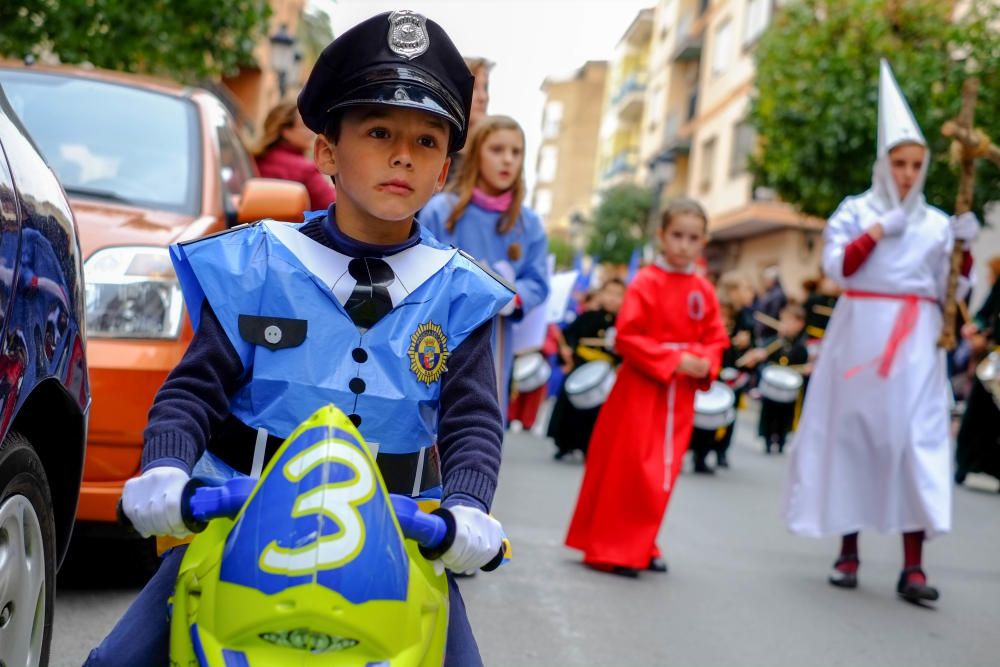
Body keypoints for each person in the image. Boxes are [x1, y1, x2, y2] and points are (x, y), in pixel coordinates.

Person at [86, 11, 512, 666]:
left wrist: (468, 506)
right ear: (326, 152)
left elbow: (474, 420)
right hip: (239, 527)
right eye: (378, 131)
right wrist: (167, 466)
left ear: (447, 168)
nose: (404, 153)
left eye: (428, 142)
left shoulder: (462, 293)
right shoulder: (255, 263)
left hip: (397, 542)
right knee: (120, 659)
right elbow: (193, 389)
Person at [782, 60, 978, 605]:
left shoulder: (939, 223)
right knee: (855, 439)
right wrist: (877, 230)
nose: (908, 175)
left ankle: (914, 565)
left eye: (917, 164)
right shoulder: (855, 210)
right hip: (860, 336)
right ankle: (848, 551)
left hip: (916, 342)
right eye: (899, 163)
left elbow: (952, 292)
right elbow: (839, 268)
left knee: (915, 444)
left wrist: (962, 250)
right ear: (882, 163)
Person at [564, 198, 729, 578]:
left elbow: (716, 337)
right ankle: (615, 548)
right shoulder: (646, 282)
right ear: (662, 236)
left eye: (693, 238)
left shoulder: (702, 290)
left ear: (703, 241)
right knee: (633, 470)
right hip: (641, 389)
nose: (684, 245)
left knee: (663, 473)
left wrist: (706, 359)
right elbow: (627, 335)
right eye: (677, 235)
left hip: (680, 394)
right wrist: (673, 360)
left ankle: (643, 541)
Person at [420, 115, 549, 416]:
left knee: (479, 418)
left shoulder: (528, 224)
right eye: (497, 149)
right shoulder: (441, 210)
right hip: (440, 332)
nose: (507, 160)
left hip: (494, 339)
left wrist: (513, 296)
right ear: (477, 152)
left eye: (516, 152)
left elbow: (538, 280)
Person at [546, 278, 626, 459]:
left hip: (606, 373)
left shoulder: (624, 323)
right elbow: (569, 336)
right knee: (570, 407)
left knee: (598, 413)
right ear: (601, 294)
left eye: (618, 295)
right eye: (610, 293)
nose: (613, 299)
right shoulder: (588, 317)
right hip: (582, 366)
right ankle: (564, 443)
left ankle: (589, 446)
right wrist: (567, 351)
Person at [954, 255, 1000, 487]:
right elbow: (985, 313)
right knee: (977, 412)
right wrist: (976, 327)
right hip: (996, 361)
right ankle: (963, 465)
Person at [740, 303, 808, 454]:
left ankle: (782, 439)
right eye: (783, 321)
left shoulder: (801, 344)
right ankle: (767, 438)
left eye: (790, 322)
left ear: (800, 324)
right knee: (768, 411)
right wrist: (759, 356)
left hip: (789, 386)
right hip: (771, 385)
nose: (786, 325)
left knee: (785, 414)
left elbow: (803, 362)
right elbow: (763, 355)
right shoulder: (775, 341)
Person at [252, 101, 336, 210]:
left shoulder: (256, 158)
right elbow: (333, 205)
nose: (311, 133)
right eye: (305, 126)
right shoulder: (305, 169)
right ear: (286, 131)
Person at [445, 56, 492, 188]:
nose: (483, 97)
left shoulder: (494, 157)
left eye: (485, 88)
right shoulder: (433, 152)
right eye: (474, 88)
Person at [752, 265, 787, 340]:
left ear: (772, 280)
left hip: (770, 331)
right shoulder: (771, 293)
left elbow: (773, 314)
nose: (764, 282)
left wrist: (763, 319)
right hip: (768, 329)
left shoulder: (777, 294)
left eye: (765, 280)